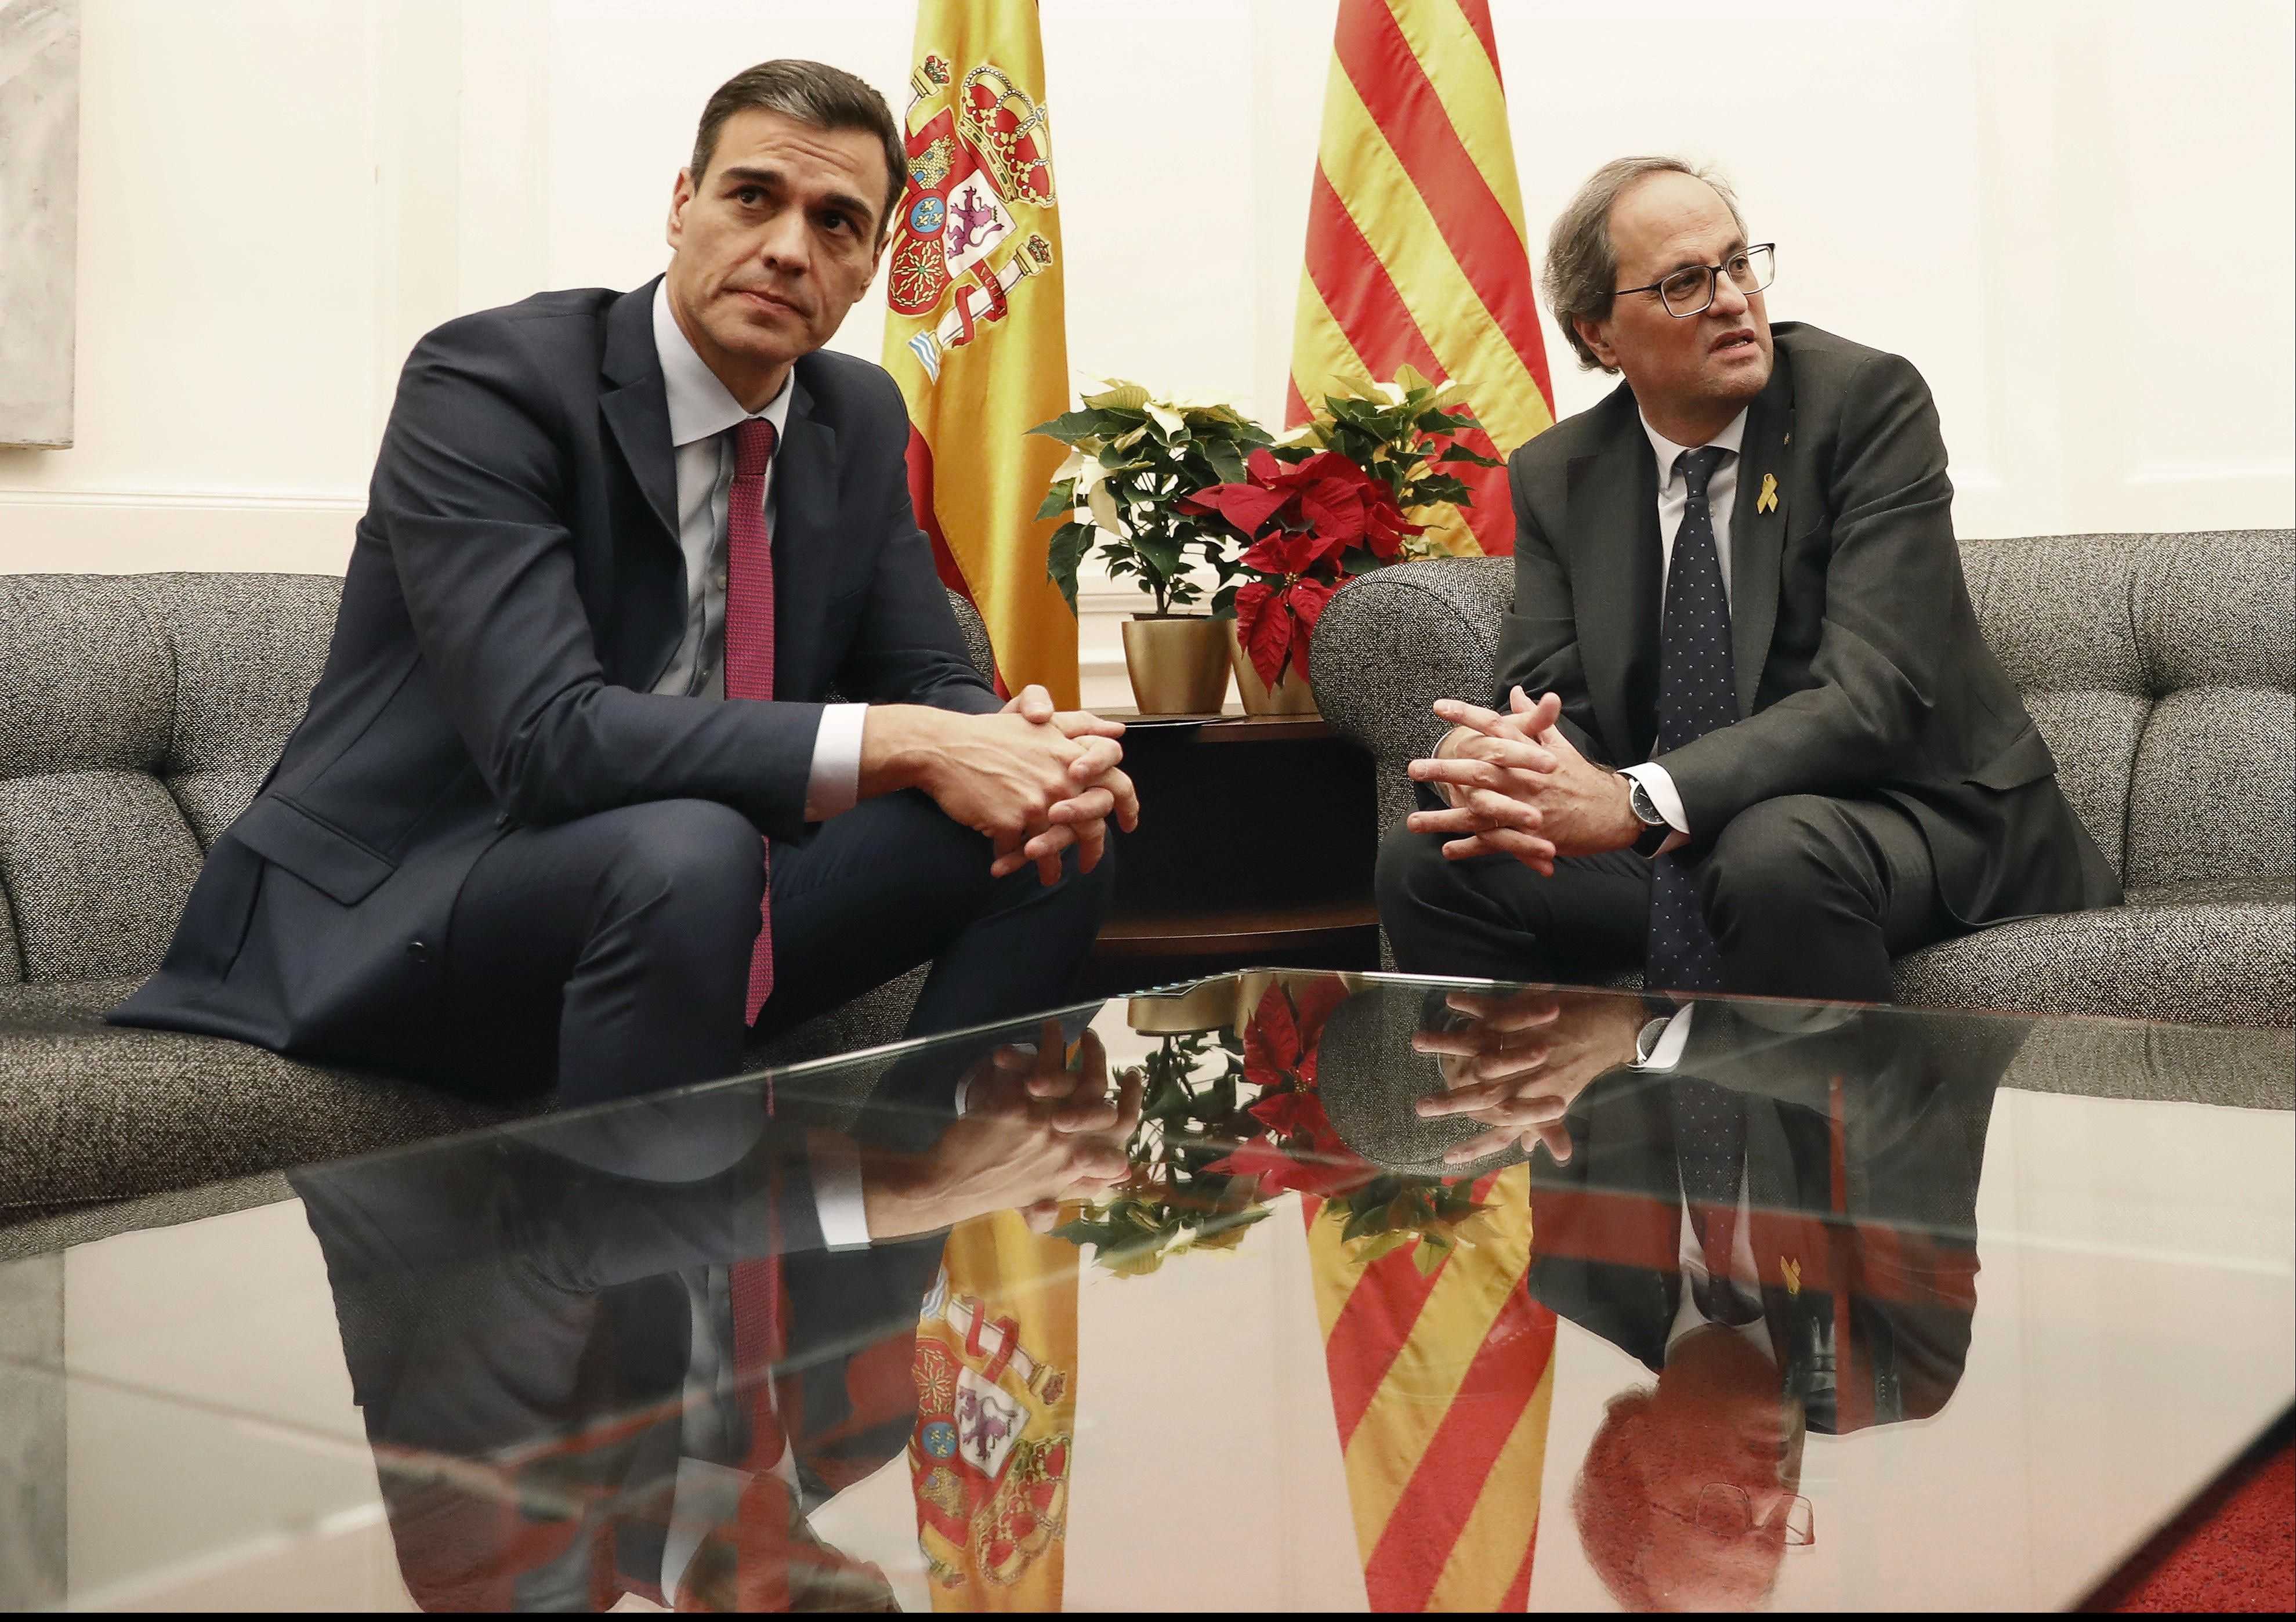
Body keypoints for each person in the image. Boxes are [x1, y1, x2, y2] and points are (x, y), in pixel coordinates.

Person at [113, 60, 1135, 1104]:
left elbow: (923, 669)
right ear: (683, 204)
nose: (787, 249)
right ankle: (638, 1252)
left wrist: (1015, 752)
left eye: (836, 223)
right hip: (410, 898)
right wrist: (917, 743)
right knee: (691, 847)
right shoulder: (492, 383)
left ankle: (906, 1199)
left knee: (1059, 832)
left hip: (688, 891)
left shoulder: (854, 414)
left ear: (871, 263)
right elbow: (546, 739)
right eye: (752, 197)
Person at [1378, 156, 2119, 1003]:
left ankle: (1847, 1140)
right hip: (1711, 835)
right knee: (1434, 864)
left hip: (1919, 819)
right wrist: (1494, 760)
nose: (1731, 299)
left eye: (1736, 264)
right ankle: (1567, 1123)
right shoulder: (1563, 472)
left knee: (1771, 854)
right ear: (1597, 334)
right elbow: (1548, 700)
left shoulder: (1865, 404)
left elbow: (1872, 697)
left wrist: (1639, 802)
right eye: (1683, 284)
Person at [1410, 984, 2020, 1609]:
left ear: (1628, 1456)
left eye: (1721, 1520)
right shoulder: (1897, 1370)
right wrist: (1648, 1038)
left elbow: (1547, 1023)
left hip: (1655, 915)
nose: (1770, 1494)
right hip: (1869, 943)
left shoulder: (1581, 1275)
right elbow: (1898, 1091)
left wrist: (1482, 1048)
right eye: (1777, 1530)